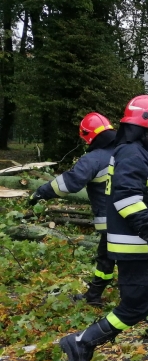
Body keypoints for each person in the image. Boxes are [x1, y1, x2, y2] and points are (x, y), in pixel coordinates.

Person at [59, 95, 148, 361]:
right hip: (137, 245)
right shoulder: (131, 153)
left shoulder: (144, 152)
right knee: (136, 305)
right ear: (147, 122)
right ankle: (81, 343)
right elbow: (126, 198)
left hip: (146, 245)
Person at [29, 113, 117, 306]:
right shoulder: (129, 151)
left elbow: (68, 184)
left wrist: (40, 193)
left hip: (113, 223)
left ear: (87, 136)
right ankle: (94, 297)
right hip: (138, 218)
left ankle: (138, 302)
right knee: (109, 259)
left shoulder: (94, 159)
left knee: (115, 260)